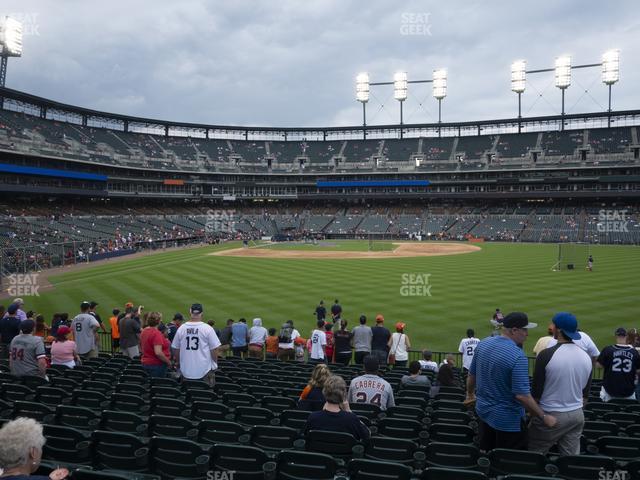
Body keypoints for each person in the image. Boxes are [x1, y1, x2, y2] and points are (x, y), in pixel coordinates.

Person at [465, 312, 556, 451]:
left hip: (483, 413)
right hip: (507, 422)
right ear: (514, 330)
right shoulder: (518, 356)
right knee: (508, 461)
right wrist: (544, 416)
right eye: (525, 330)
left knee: (487, 454)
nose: (527, 334)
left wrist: (470, 394)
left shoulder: (483, 343)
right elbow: (522, 395)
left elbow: (472, 376)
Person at [528, 312, 592, 456]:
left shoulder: (545, 355)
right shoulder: (586, 356)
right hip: (577, 415)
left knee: (533, 456)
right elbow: (585, 396)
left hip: (551, 414)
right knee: (570, 461)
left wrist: (536, 415)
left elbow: (536, 393)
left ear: (559, 330)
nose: (551, 328)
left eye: (554, 325)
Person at [305, 375, 371, 442]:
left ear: (324, 392)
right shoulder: (351, 419)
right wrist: (348, 410)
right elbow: (367, 434)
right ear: (344, 394)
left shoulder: (313, 417)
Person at [171, 303, 221, 387]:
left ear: (190, 312)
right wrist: (214, 363)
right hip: (204, 370)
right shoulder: (208, 328)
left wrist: (179, 362)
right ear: (202, 313)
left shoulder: (182, 328)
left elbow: (176, 349)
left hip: (185, 370)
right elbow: (214, 349)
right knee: (204, 396)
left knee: (188, 394)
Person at [597, 327, 640, 402]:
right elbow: (638, 370)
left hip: (609, 392)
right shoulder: (634, 352)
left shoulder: (608, 350)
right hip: (628, 392)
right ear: (626, 337)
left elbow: (598, 366)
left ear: (616, 336)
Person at [140, 312, 172, 378]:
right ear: (159, 321)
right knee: (157, 385)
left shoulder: (144, 331)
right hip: (156, 365)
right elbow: (158, 352)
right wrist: (168, 362)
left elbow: (141, 346)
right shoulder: (156, 333)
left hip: (146, 363)